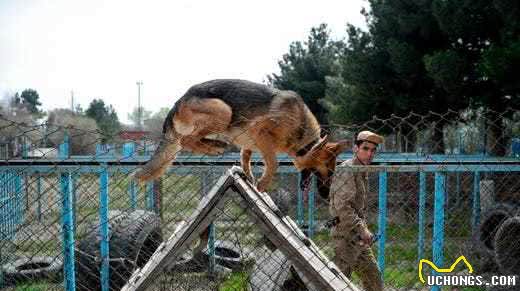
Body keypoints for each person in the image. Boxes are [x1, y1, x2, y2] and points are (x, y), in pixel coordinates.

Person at [329, 130, 384, 291]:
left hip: (355, 236)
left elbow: (354, 207)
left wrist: (362, 230)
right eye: (365, 149)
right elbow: (342, 207)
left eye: (373, 150)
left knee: (373, 279)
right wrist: (363, 229)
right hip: (344, 235)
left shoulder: (361, 169)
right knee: (339, 284)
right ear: (355, 148)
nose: (370, 154)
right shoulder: (348, 170)